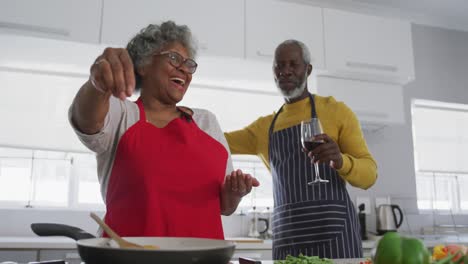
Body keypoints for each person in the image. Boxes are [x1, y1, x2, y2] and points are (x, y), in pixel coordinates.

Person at [68, 21, 259, 239]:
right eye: (174, 58)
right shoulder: (122, 113)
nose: (184, 69)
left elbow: (225, 207)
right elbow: (86, 122)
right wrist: (97, 84)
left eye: (189, 64)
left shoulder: (207, 123)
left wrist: (235, 193)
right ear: (144, 65)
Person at [224, 39, 377, 259]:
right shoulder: (263, 127)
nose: (285, 71)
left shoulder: (336, 111)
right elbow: (217, 141)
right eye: (279, 65)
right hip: (288, 239)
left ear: (308, 69)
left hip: (334, 237)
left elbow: (370, 174)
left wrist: (342, 161)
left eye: (293, 64)